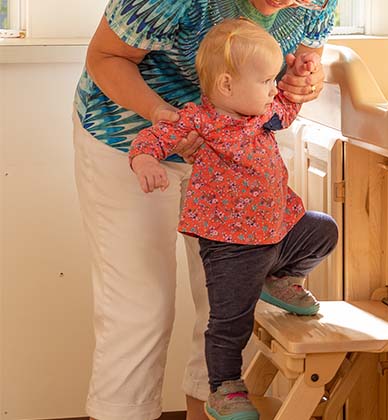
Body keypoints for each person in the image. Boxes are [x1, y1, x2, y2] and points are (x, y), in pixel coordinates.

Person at [72, 0, 337, 419]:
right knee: (141, 308)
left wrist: (306, 75)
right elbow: (106, 55)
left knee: (230, 307)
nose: (289, 4)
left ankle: (215, 400)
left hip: (231, 158)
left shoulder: (314, 4)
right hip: (130, 134)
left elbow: (304, 58)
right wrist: (165, 125)